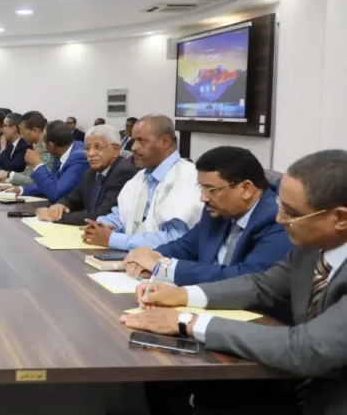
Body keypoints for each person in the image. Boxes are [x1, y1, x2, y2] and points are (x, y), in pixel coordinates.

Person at [122, 149, 347, 415]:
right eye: (280, 206)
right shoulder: (309, 249)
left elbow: (305, 348)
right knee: (179, 391)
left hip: (331, 410)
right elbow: (261, 285)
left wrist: (188, 322)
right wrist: (183, 295)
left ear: (340, 218)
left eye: (291, 214)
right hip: (297, 387)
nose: (279, 220)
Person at [123, 146, 292, 286]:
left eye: (211, 189)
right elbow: (187, 246)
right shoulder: (218, 210)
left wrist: (165, 268)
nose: (203, 198)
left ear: (246, 189)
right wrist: (150, 257)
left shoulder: (277, 219)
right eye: (201, 188)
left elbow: (247, 278)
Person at [83, 114, 202, 250]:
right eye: (134, 140)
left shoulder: (188, 178)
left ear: (165, 142)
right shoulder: (140, 177)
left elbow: (175, 238)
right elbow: (121, 215)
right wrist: (100, 226)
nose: (134, 147)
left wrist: (113, 239)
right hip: (134, 257)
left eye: (141, 141)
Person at [37, 125, 137, 225]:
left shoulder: (124, 172)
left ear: (115, 150)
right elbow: (72, 198)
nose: (91, 153)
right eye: (87, 148)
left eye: (98, 147)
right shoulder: (89, 173)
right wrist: (60, 205)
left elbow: (103, 215)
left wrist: (56, 217)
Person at [2, 120, 89, 202]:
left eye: (44, 143)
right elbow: (51, 183)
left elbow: (55, 193)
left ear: (51, 145)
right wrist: (21, 190)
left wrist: (37, 164)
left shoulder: (79, 158)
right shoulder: (60, 153)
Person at [0, 111, 51, 187]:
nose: (22, 136)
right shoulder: (35, 146)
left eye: (23, 133)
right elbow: (27, 173)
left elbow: (41, 181)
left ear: (35, 131)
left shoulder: (47, 149)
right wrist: (8, 179)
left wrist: (9, 175)